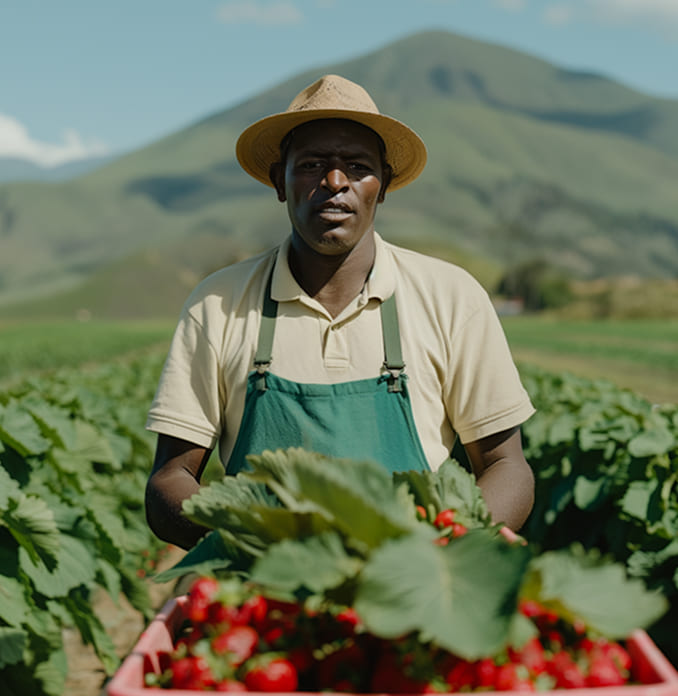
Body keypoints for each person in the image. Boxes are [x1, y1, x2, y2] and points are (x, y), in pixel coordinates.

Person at [145, 74, 536, 550]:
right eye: (311, 165)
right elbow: (171, 475)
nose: (334, 182)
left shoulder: (452, 297)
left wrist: (447, 549)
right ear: (279, 182)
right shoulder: (217, 304)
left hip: (411, 577)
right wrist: (244, 543)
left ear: (383, 185)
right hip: (267, 586)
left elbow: (505, 466)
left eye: (356, 166)